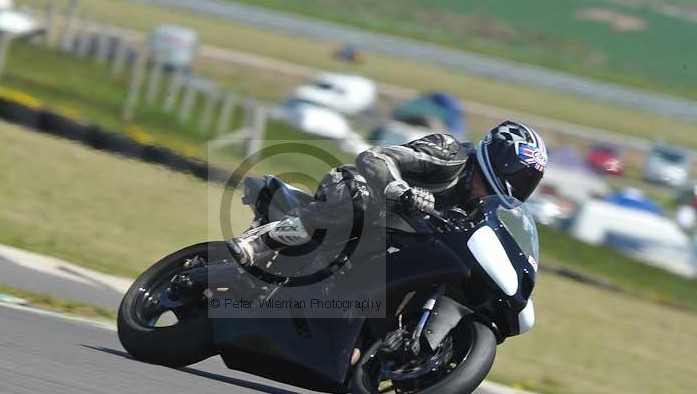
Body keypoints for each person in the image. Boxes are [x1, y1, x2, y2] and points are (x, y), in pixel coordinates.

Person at [229, 121, 548, 266]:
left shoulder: (482, 210)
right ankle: (259, 241)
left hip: (390, 241)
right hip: (362, 191)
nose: (519, 186)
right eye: (517, 175)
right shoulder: (449, 153)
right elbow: (375, 158)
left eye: (527, 182)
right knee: (358, 199)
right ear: (499, 157)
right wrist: (401, 190)